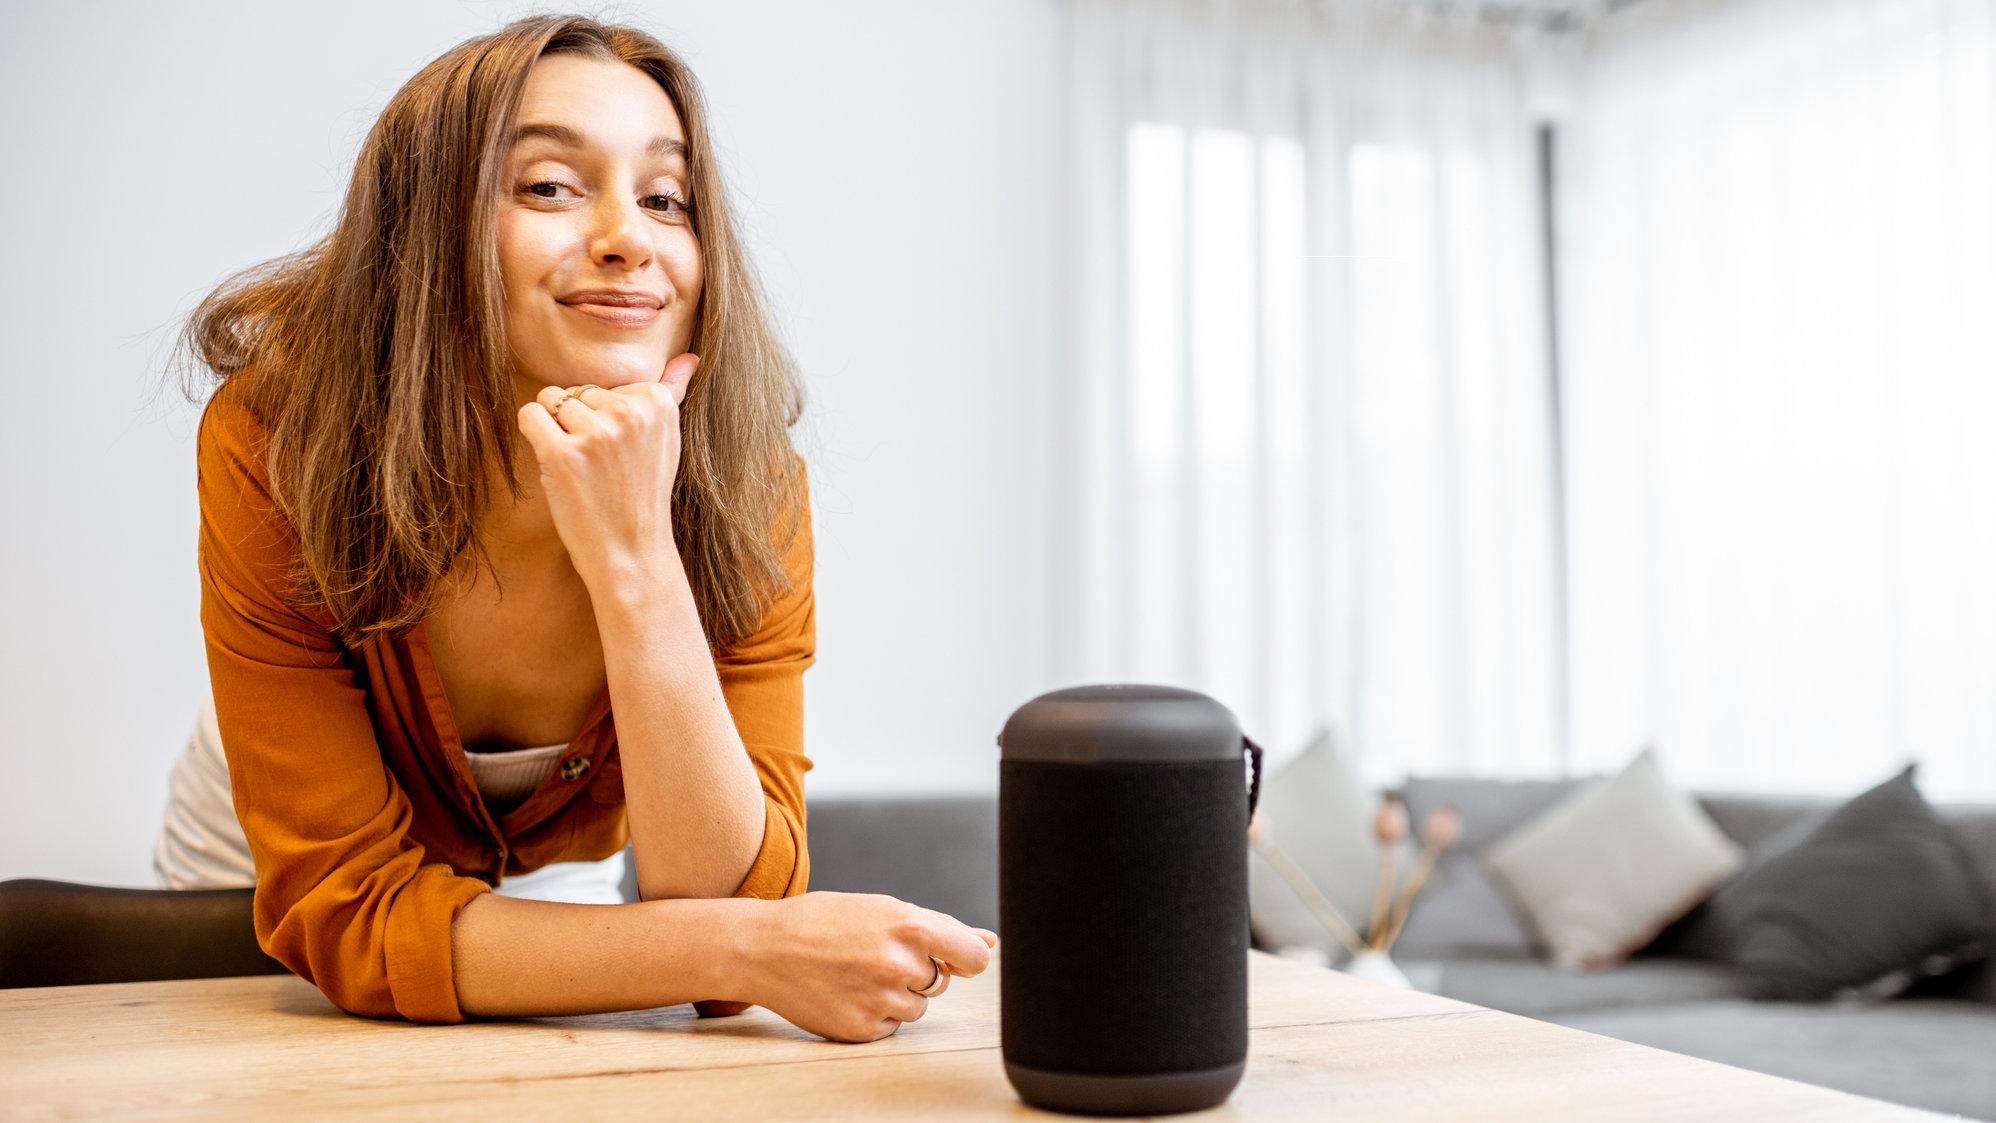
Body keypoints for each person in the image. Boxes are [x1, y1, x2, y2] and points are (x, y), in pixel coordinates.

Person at [158, 14, 993, 1041]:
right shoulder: (280, 442)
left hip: (564, 879)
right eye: (550, 185)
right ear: (427, 229)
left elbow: (731, 892)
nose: (628, 237)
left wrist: (638, 555)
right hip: (269, 868)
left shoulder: (753, 483)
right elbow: (350, 912)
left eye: (664, 198)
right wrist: (734, 944)